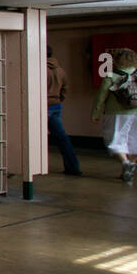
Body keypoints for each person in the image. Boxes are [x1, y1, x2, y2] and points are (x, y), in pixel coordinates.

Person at [91, 47, 137, 184]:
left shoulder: (111, 75)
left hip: (117, 113)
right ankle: (128, 169)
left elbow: (101, 97)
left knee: (114, 140)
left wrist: (96, 113)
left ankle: (126, 163)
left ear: (117, 60)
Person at [46, 45, 82, 176]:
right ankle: (73, 167)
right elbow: (65, 89)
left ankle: (16, 166)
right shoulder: (60, 70)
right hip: (56, 105)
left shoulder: (40, 70)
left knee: (24, 136)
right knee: (62, 138)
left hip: (42, 106)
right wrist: (58, 99)